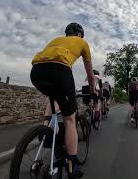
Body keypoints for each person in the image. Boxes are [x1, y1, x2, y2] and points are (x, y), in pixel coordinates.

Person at [30, 22, 95, 178]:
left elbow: (50, 61)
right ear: (80, 34)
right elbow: (90, 75)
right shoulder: (82, 43)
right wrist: (92, 91)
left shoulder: (55, 40)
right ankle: (72, 165)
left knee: (52, 97)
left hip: (37, 71)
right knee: (70, 118)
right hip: (60, 70)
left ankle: (45, 129)